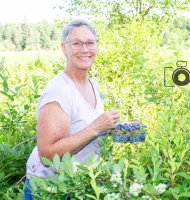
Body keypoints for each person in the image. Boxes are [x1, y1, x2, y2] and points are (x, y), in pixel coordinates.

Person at [24, 19, 120, 199]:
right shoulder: (58, 92)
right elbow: (48, 154)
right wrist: (97, 127)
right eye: (76, 43)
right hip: (50, 189)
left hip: (78, 184)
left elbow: (82, 126)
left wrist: (113, 127)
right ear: (64, 48)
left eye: (90, 43)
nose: (85, 49)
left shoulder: (92, 84)